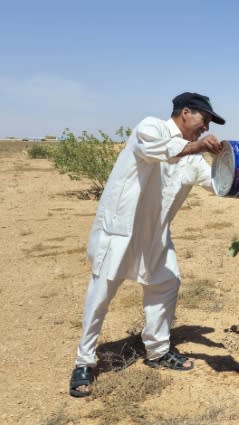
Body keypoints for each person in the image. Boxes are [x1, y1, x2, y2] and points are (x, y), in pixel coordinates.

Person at [69, 92, 226, 397]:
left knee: (166, 283)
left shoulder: (192, 159)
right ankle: (84, 362)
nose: (205, 127)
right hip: (121, 231)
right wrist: (196, 146)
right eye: (203, 120)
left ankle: (157, 350)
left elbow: (219, 184)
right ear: (185, 113)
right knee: (101, 294)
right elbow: (160, 150)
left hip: (155, 235)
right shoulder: (150, 127)